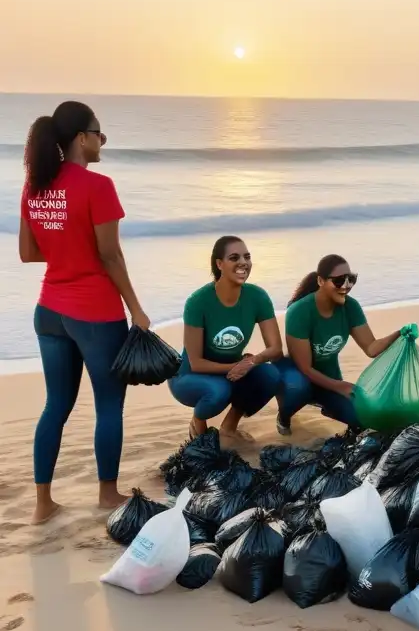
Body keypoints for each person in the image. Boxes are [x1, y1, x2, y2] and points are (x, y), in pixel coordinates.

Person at [19, 101, 150, 525]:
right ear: (81, 138)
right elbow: (110, 256)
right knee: (109, 404)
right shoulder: (98, 186)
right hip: (94, 312)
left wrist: (65, 252)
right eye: (99, 134)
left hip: (49, 311)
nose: (102, 141)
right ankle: (107, 493)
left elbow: (27, 252)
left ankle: (43, 503)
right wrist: (137, 309)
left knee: (56, 405)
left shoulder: (34, 186)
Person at [168, 236, 283, 439]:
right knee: (219, 391)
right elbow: (196, 363)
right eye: (234, 257)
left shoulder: (257, 297)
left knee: (270, 375)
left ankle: (229, 426)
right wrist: (237, 366)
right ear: (219, 264)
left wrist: (252, 362)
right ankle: (198, 421)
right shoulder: (198, 302)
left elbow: (275, 349)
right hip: (188, 375)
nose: (243, 263)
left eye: (247, 257)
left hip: (230, 369)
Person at [275, 254, 402, 435]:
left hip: (329, 376)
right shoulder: (299, 311)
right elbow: (305, 368)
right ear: (321, 281)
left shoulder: (350, 308)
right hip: (297, 374)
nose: (346, 286)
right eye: (339, 280)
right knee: (298, 388)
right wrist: (340, 386)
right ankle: (284, 417)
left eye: (351, 279)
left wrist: (400, 334)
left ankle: (329, 404)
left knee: (364, 418)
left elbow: (371, 348)